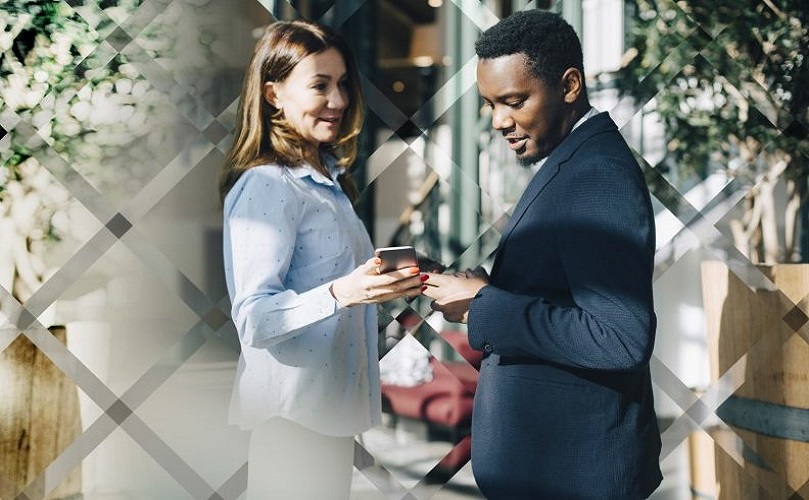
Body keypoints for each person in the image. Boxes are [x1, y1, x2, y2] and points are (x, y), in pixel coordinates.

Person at [423, 10, 662, 499]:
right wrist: (486, 289)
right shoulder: (573, 161)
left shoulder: (597, 175)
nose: (498, 122)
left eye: (514, 101)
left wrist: (482, 305)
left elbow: (620, 338)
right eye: (490, 104)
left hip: (573, 476)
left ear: (570, 85)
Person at [219, 20, 426, 500]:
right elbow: (253, 317)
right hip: (292, 421)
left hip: (326, 419)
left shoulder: (327, 181)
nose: (338, 100)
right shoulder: (269, 184)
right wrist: (343, 292)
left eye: (343, 84)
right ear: (274, 94)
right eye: (320, 85)